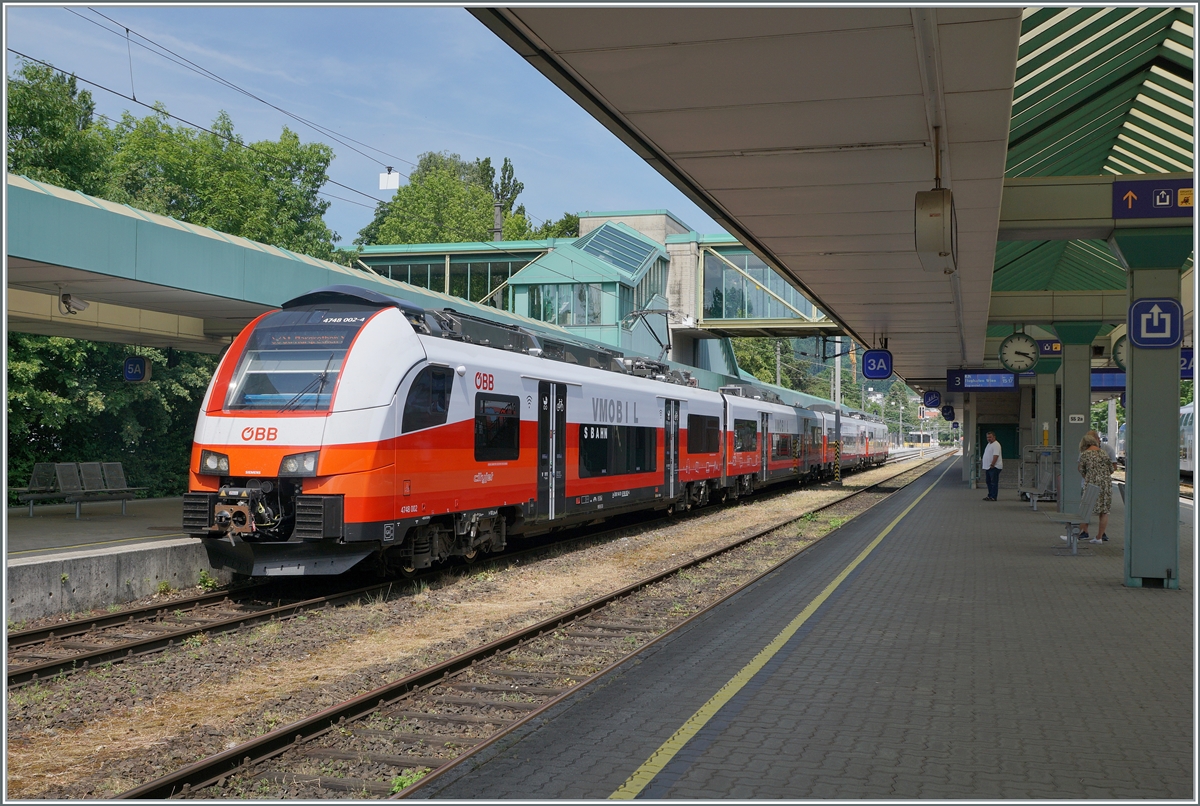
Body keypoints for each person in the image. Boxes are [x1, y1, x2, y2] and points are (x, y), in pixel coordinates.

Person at [1077, 432, 1113, 543]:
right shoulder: (1103, 453)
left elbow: (1081, 470)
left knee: (1085, 508)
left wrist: (1089, 476)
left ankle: (1075, 534)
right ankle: (1099, 537)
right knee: (1104, 511)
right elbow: (1111, 469)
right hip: (1106, 485)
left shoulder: (1085, 454)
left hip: (1091, 484)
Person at [981, 431, 1002, 501]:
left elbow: (996, 455)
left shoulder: (996, 445)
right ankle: (990, 495)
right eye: (987, 437)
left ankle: (993, 496)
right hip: (988, 467)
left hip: (994, 467)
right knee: (989, 482)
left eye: (990, 437)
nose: (988, 438)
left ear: (994, 437)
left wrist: (993, 464)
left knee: (993, 482)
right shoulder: (989, 444)